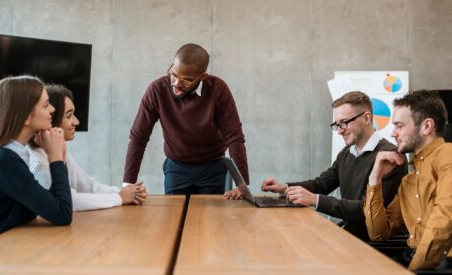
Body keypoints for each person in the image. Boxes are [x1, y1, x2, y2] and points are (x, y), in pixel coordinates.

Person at [262, 91, 407, 239]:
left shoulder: (390, 157)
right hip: (350, 236)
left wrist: (315, 200)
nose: (339, 131)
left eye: (344, 123)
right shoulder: (346, 153)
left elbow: (366, 208)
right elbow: (322, 184)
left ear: (366, 118)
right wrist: (285, 187)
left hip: (372, 245)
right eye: (336, 125)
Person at [123, 43, 248, 198]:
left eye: (186, 80)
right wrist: (127, 185)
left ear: (203, 77)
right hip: (176, 168)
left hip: (213, 168)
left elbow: (235, 138)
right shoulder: (157, 90)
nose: (176, 83)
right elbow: (138, 137)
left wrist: (242, 186)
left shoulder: (218, 89)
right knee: (174, 219)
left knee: (209, 220)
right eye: (173, 75)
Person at [0, 76, 72, 246]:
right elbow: (62, 213)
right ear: (26, 117)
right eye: (46, 105)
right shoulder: (5, 161)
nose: (53, 109)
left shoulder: (8, 155)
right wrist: (56, 157)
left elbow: (51, 203)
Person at [364, 90, 452, 271]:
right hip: (414, 258)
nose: (393, 133)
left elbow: (445, 217)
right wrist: (375, 178)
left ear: (426, 126)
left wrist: (413, 270)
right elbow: (379, 233)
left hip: (441, 264)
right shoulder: (409, 181)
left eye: (399, 125)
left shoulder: (447, 155)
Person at [27, 84, 147, 211]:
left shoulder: (59, 152)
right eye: (69, 116)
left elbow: (88, 186)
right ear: (50, 118)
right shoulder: (37, 163)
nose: (77, 121)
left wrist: (130, 193)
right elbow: (70, 201)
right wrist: (120, 198)